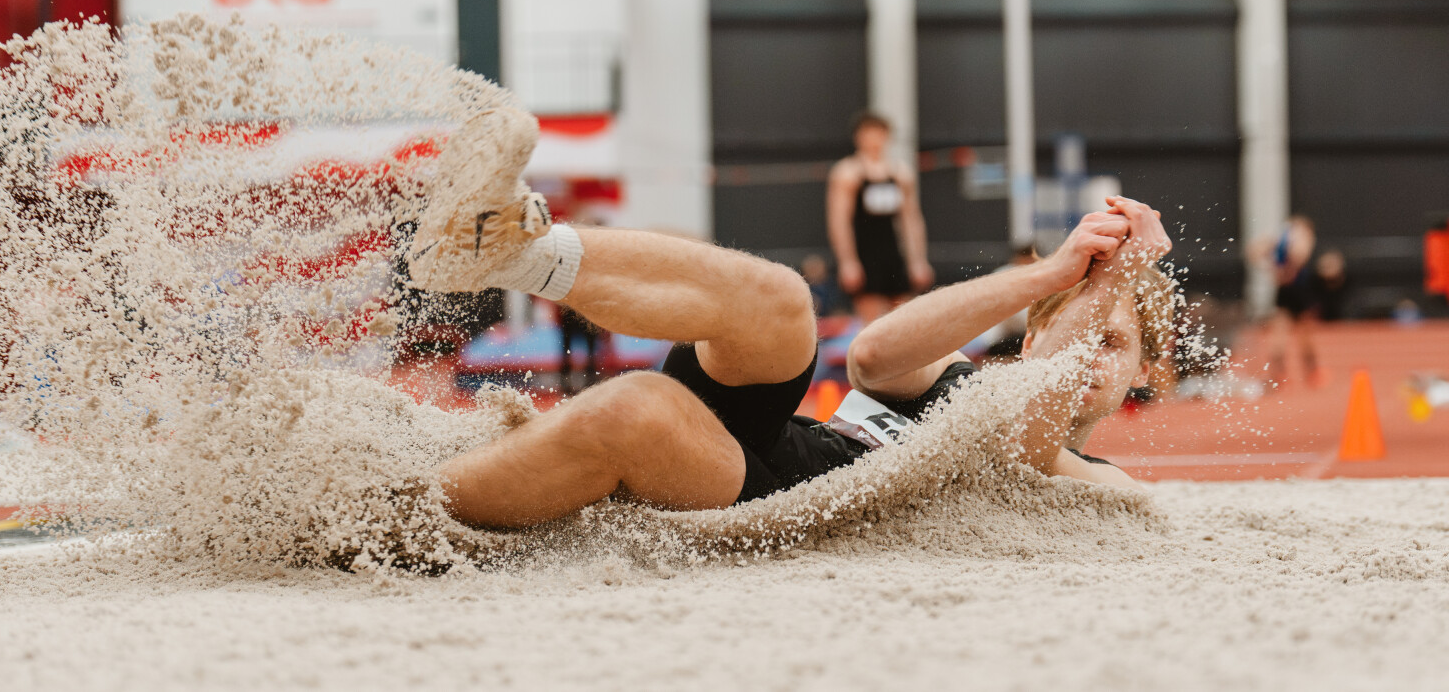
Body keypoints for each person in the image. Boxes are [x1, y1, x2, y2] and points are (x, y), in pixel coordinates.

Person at [407, 109, 1175, 528]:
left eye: (1113, 342)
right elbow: (871, 354)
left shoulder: (1095, 482)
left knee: (636, 409)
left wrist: (1113, 279)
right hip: (784, 440)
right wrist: (1049, 274)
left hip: (777, 496)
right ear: (1033, 338)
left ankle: (397, 507)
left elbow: (1037, 423)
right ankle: (508, 249)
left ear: (1147, 368)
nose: (1091, 355)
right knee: (781, 299)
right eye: (1083, 333)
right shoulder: (959, 382)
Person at [826, 112, 934, 325]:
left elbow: (911, 220)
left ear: (887, 136)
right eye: (869, 134)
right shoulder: (847, 173)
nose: (874, 140)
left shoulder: (900, 173)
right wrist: (848, 262)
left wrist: (918, 260)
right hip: (865, 255)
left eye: (879, 134)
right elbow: (839, 221)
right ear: (859, 137)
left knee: (903, 321)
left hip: (893, 254)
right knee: (872, 323)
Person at [1250, 215, 1327, 388]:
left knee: (1283, 332)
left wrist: (1274, 269)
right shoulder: (1301, 235)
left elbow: (1254, 251)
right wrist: (1284, 270)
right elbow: (1299, 254)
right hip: (1298, 288)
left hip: (1286, 289)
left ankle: (1279, 373)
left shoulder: (1280, 238)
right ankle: (1310, 372)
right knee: (1302, 333)